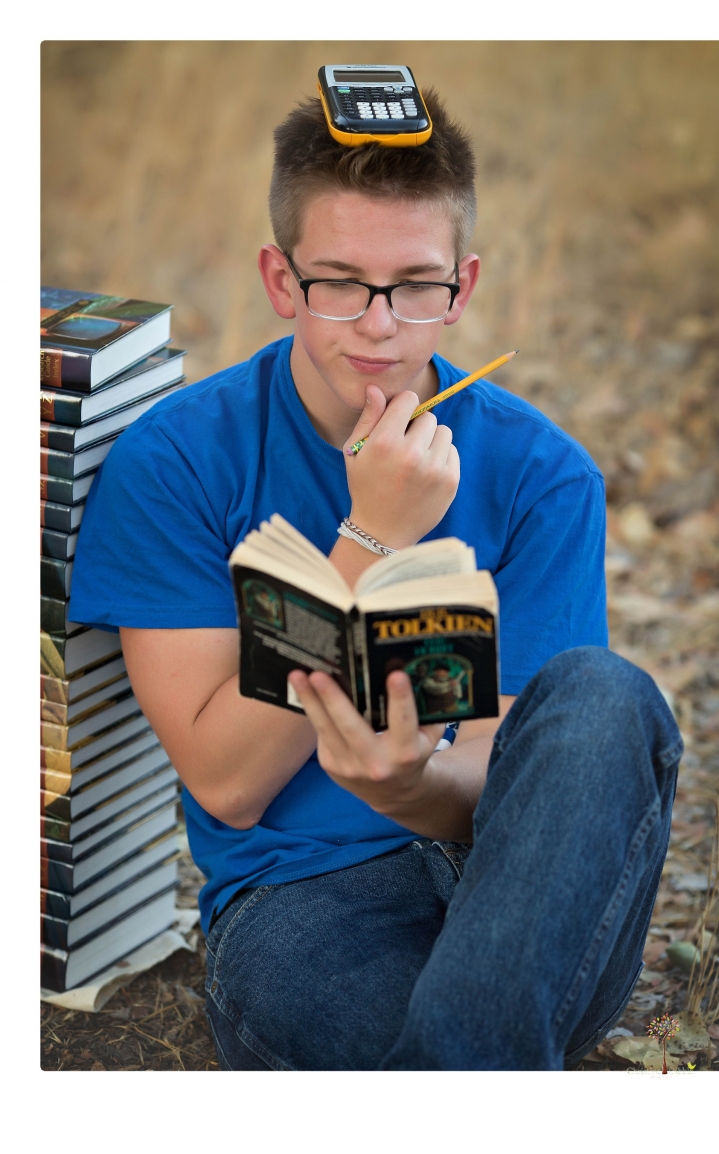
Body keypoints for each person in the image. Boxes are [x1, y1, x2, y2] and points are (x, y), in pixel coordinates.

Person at [69, 88, 682, 1070]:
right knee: (444, 1044)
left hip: (522, 890)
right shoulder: (178, 458)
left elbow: (522, 783)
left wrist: (411, 786)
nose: (381, 326)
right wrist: (370, 539)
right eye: (341, 283)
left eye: (416, 285)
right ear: (281, 277)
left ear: (463, 284)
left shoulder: (544, 471)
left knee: (609, 693)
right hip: (304, 901)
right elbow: (227, 781)